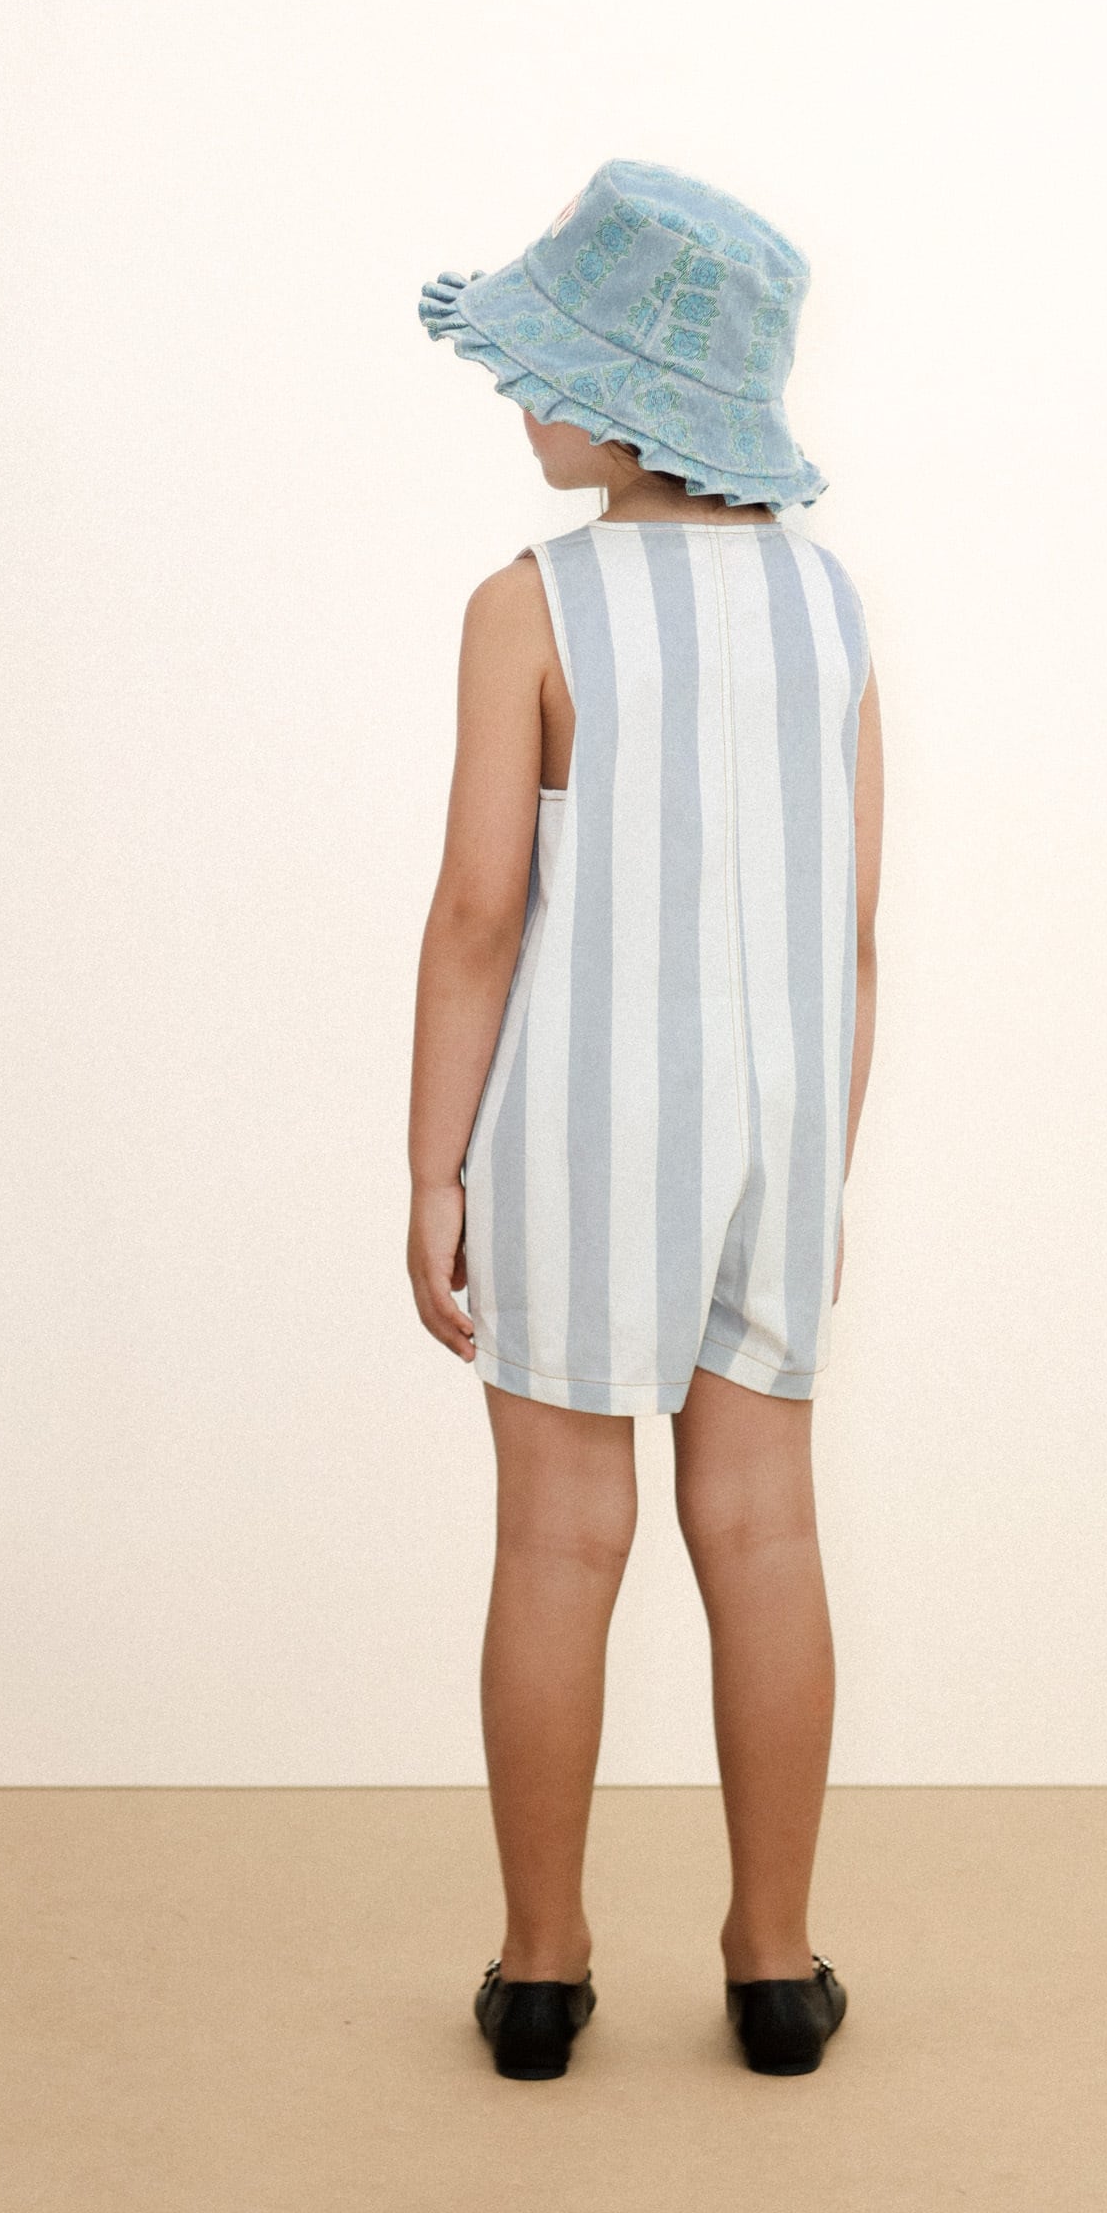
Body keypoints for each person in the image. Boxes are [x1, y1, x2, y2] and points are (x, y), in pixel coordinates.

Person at [408, 160, 883, 2079]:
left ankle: (541, 1969)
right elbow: (852, 930)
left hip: (577, 1135)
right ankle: (774, 1963)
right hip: (777, 1135)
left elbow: (477, 915)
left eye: (547, 367)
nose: (519, 396)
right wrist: (822, 1171)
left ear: (626, 403)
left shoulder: (529, 607)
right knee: (762, 1531)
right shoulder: (829, 607)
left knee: (557, 1542)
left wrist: (433, 1165)